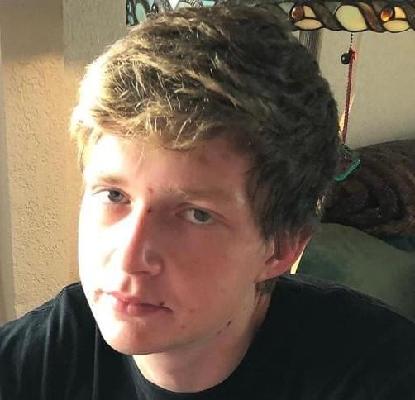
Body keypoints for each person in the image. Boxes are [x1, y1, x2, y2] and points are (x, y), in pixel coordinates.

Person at [0, 5, 414, 400]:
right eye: (114, 195)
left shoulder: (382, 376)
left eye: (197, 215)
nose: (129, 258)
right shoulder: (38, 362)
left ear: (282, 247)